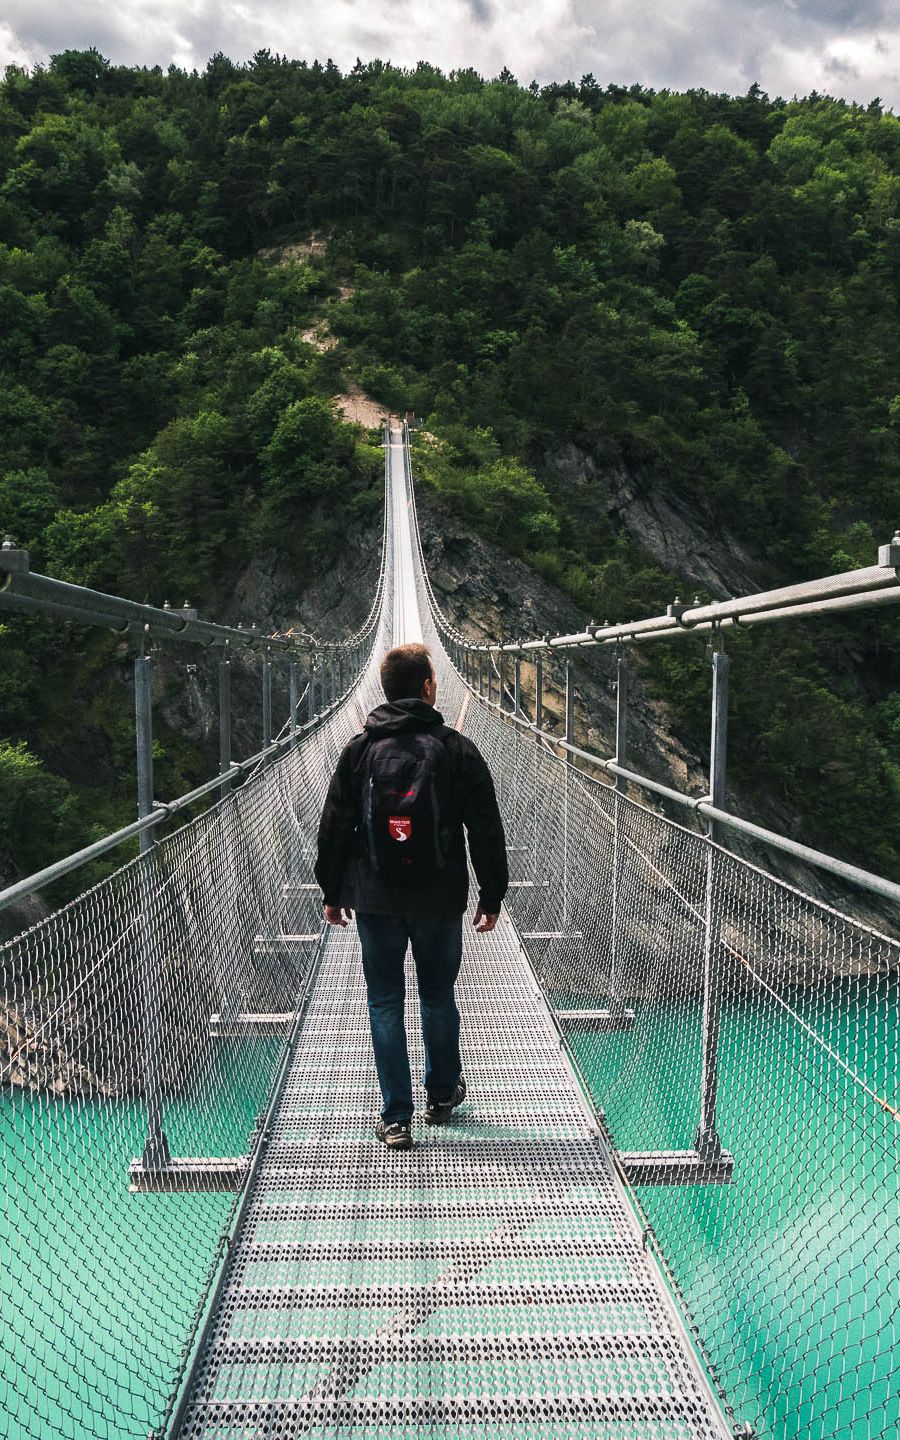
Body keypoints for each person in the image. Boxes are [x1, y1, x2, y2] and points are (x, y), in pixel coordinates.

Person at [315, 642, 508, 1150]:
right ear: (428, 686)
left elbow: (335, 827)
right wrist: (492, 896)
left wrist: (332, 891)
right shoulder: (457, 750)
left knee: (384, 1002)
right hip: (439, 897)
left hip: (375, 897)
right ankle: (441, 1096)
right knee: (437, 995)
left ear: (383, 690)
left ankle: (396, 1116)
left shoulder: (358, 751)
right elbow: (486, 829)